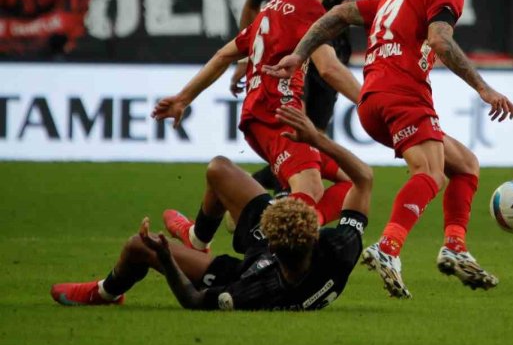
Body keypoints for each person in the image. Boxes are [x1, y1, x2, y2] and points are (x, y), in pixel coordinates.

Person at [265, 0, 513, 298]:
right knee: (431, 173)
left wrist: (299, 54)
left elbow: (337, 15)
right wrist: (484, 88)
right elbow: (439, 40)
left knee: (464, 165)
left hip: (371, 101)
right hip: (403, 94)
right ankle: (388, 248)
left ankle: (455, 247)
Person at [50, 106, 373, 311]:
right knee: (219, 170)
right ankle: (197, 239)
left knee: (137, 247)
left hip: (241, 268)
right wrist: (316, 138)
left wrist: (165, 258)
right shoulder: (339, 248)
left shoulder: (253, 291)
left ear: (271, 240)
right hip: (278, 253)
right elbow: (363, 179)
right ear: (314, 234)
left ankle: (106, 293)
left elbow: (192, 300)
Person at [153, 0, 360, 228]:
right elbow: (329, 69)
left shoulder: (273, 6)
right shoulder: (310, 10)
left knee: (354, 180)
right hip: (278, 116)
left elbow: (225, 54)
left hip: (264, 113)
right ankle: (261, 226)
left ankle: (199, 237)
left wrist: (184, 98)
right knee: (312, 189)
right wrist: (370, 101)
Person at [231, 0, 400, 190]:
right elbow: (252, 5)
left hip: (334, 47)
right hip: (289, 56)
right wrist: (246, 56)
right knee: (296, 136)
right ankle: (285, 210)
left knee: (313, 137)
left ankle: (252, 194)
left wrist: (355, 6)